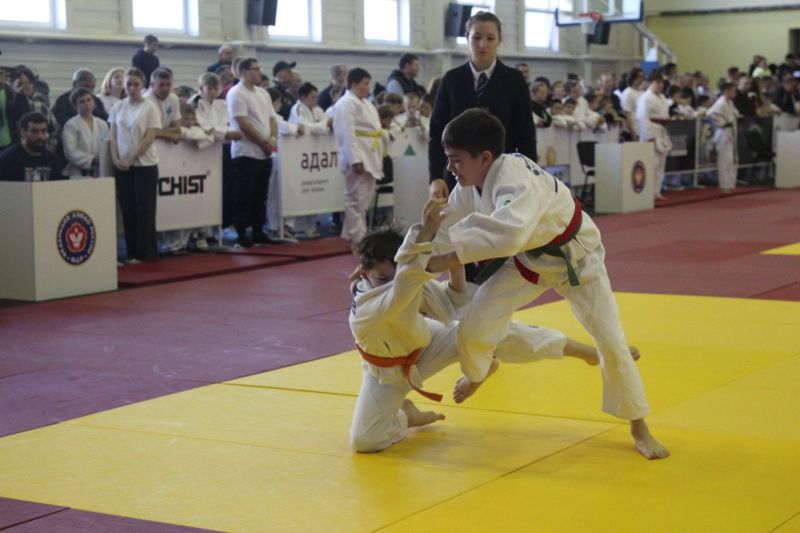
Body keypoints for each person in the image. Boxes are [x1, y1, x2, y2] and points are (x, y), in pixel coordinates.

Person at [426, 109, 669, 460]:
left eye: (456, 159)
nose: (450, 168)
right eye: (448, 159)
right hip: (530, 262)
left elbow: (509, 235)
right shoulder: (470, 186)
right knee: (476, 324)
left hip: (577, 258)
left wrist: (449, 259)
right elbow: (443, 229)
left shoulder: (513, 181)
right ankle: (481, 369)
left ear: (485, 158)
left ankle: (638, 425)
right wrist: (407, 257)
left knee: (611, 341)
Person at [349, 200, 613, 452]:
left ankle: (584, 352)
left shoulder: (402, 281)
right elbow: (406, 280)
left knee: (485, 329)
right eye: (382, 278)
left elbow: (454, 301)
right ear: (364, 273)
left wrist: (455, 259)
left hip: (424, 344)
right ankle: (406, 415)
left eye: (393, 276)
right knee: (365, 440)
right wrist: (426, 232)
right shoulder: (370, 309)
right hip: (386, 371)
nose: (389, 283)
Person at [429, 11, 536, 199]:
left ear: (499, 40)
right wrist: (435, 177)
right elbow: (437, 132)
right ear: (467, 38)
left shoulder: (514, 80)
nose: (483, 44)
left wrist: (531, 175)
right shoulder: (451, 80)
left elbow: (526, 134)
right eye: (476, 37)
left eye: (490, 38)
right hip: (456, 176)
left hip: (503, 175)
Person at [108, 68, 161, 263]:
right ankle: (130, 252)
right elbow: (113, 135)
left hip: (145, 165)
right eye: (128, 84)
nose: (131, 88)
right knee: (127, 209)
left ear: (142, 86)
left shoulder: (150, 107)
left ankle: (145, 253)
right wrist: (115, 158)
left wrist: (132, 159)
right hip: (122, 166)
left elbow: (150, 136)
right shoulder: (117, 107)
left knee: (144, 209)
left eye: (135, 84)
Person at [226, 57, 279, 248]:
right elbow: (242, 123)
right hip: (246, 152)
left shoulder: (263, 93)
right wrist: (263, 142)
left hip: (265, 151)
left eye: (259, 68)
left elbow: (272, 118)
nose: (259, 72)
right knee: (244, 194)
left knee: (260, 194)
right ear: (244, 72)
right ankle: (242, 232)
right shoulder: (236, 93)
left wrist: (272, 138)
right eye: (255, 69)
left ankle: (258, 230)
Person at [333, 67, 385, 247]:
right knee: (355, 200)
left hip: (370, 155)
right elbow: (345, 134)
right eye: (365, 83)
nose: (369, 87)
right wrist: (354, 159)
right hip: (358, 157)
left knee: (363, 201)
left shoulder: (366, 103)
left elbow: (375, 130)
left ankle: (351, 235)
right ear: (354, 84)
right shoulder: (345, 103)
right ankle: (359, 240)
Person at [194, 72, 242, 230]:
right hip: (201, 151)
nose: (213, 92)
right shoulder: (195, 103)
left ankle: (226, 223)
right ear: (201, 88)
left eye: (216, 89)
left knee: (227, 186)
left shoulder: (221, 104)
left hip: (221, 148)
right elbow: (204, 126)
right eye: (209, 88)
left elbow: (224, 123)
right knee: (205, 188)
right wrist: (223, 134)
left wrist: (223, 133)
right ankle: (203, 228)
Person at [636, 71, 672, 199]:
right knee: (652, 163)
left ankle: (657, 191)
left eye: (662, 82)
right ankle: (648, 193)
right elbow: (642, 117)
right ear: (650, 82)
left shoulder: (662, 97)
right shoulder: (646, 97)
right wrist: (649, 135)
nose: (660, 85)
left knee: (661, 163)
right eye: (657, 82)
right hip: (651, 130)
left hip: (661, 130)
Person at [0, 111, 62, 181]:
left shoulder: (53, 160)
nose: (40, 136)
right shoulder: (7, 160)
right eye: (34, 131)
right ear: (23, 132)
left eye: (43, 131)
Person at [62, 88, 110, 177]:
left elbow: (107, 147)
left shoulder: (102, 124)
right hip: (78, 172)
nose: (86, 104)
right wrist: (92, 160)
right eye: (82, 101)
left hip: (99, 171)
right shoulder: (71, 125)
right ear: (75, 106)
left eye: (89, 100)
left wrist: (103, 160)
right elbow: (70, 152)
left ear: (94, 103)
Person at [707, 82, 739, 194]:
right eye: (733, 91)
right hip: (723, 133)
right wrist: (721, 122)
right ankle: (724, 186)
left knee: (731, 160)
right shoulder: (720, 103)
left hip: (730, 133)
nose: (734, 93)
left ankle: (730, 184)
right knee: (724, 161)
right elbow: (710, 113)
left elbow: (735, 113)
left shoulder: (729, 102)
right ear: (726, 91)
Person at [144, 68, 182, 143]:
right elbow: (144, 132)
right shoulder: (145, 101)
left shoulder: (174, 99)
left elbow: (177, 128)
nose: (165, 89)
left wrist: (157, 133)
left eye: (168, 84)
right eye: (161, 85)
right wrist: (169, 135)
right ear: (152, 85)